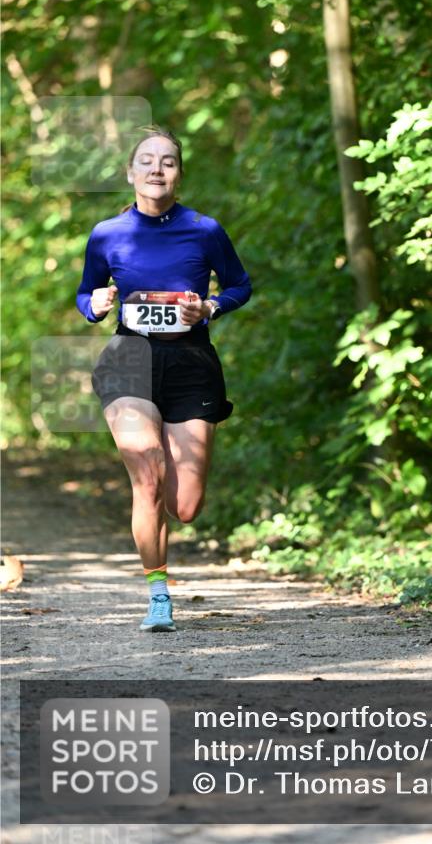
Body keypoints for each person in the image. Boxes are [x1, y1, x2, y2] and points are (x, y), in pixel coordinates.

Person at [76, 125, 252, 632]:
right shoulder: (107, 233)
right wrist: (97, 303)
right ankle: (158, 595)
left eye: (168, 161)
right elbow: (86, 293)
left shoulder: (204, 229)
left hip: (192, 362)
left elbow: (240, 284)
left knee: (185, 505)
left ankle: (164, 539)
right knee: (147, 473)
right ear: (131, 173)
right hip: (129, 357)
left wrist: (212, 306)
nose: (157, 169)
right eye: (147, 161)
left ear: (179, 175)